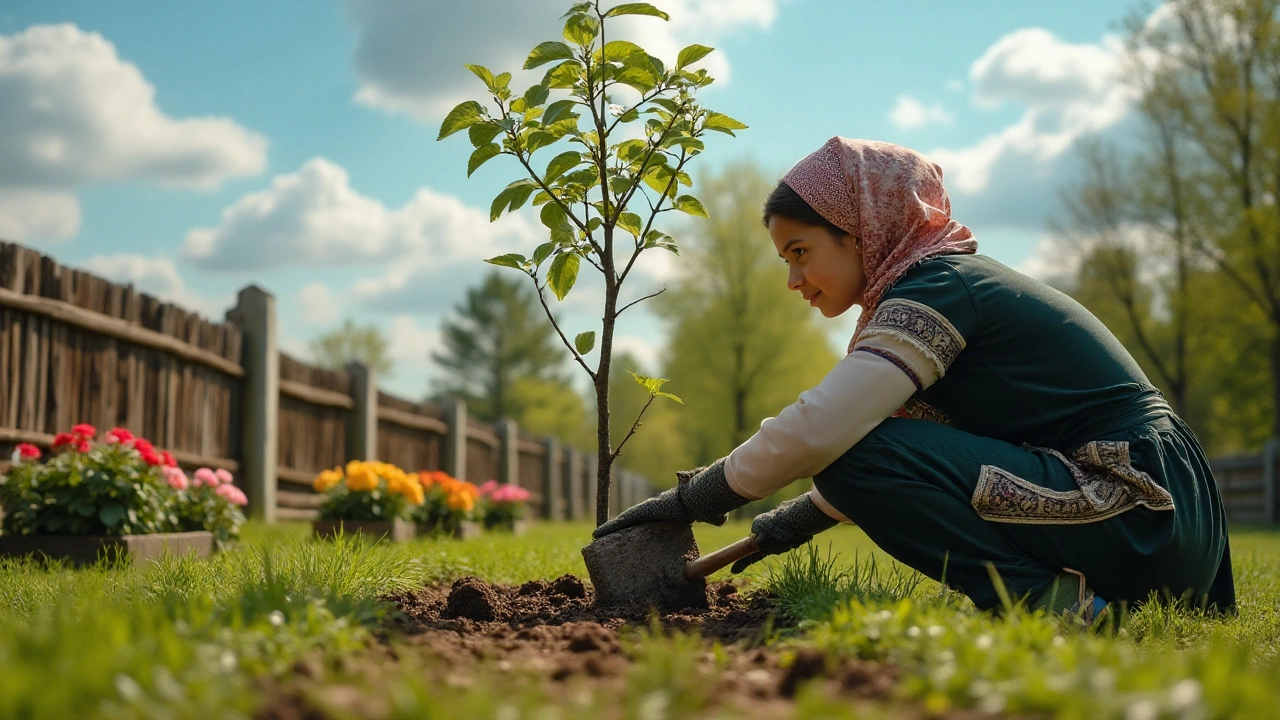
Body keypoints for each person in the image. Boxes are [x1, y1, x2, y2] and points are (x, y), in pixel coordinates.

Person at [593, 137, 1235, 621]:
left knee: (849, 451)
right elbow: (898, 465)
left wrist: (694, 499)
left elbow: (826, 431)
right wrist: (783, 525)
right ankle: (1077, 602)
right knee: (855, 456)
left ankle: (1052, 605)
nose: (793, 282)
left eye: (800, 253)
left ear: (861, 230)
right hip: (1174, 521)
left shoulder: (939, 292)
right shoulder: (947, 287)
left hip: (1130, 499)